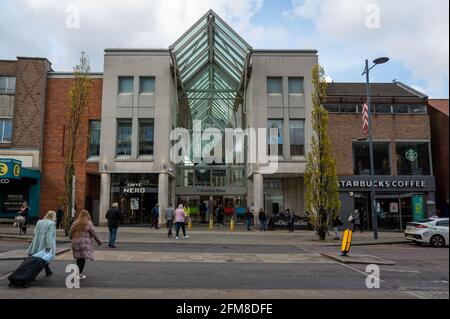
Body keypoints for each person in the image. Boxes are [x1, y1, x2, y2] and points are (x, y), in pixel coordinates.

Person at [70, 210, 102, 281]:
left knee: (79, 258)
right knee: (82, 258)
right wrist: (99, 241)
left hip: (76, 242)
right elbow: (94, 234)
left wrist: (71, 238)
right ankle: (79, 274)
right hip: (84, 243)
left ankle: (78, 273)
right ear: (88, 216)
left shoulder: (75, 222)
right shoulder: (89, 223)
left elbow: (71, 231)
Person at [27, 211, 57, 277]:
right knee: (45, 258)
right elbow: (49, 236)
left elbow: (35, 231)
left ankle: (47, 270)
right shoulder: (51, 224)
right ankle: (36, 273)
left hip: (37, 242)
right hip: (44, 243)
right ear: (53, 216)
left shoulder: (39, 222)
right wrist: (49, 246)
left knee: (41, 258)